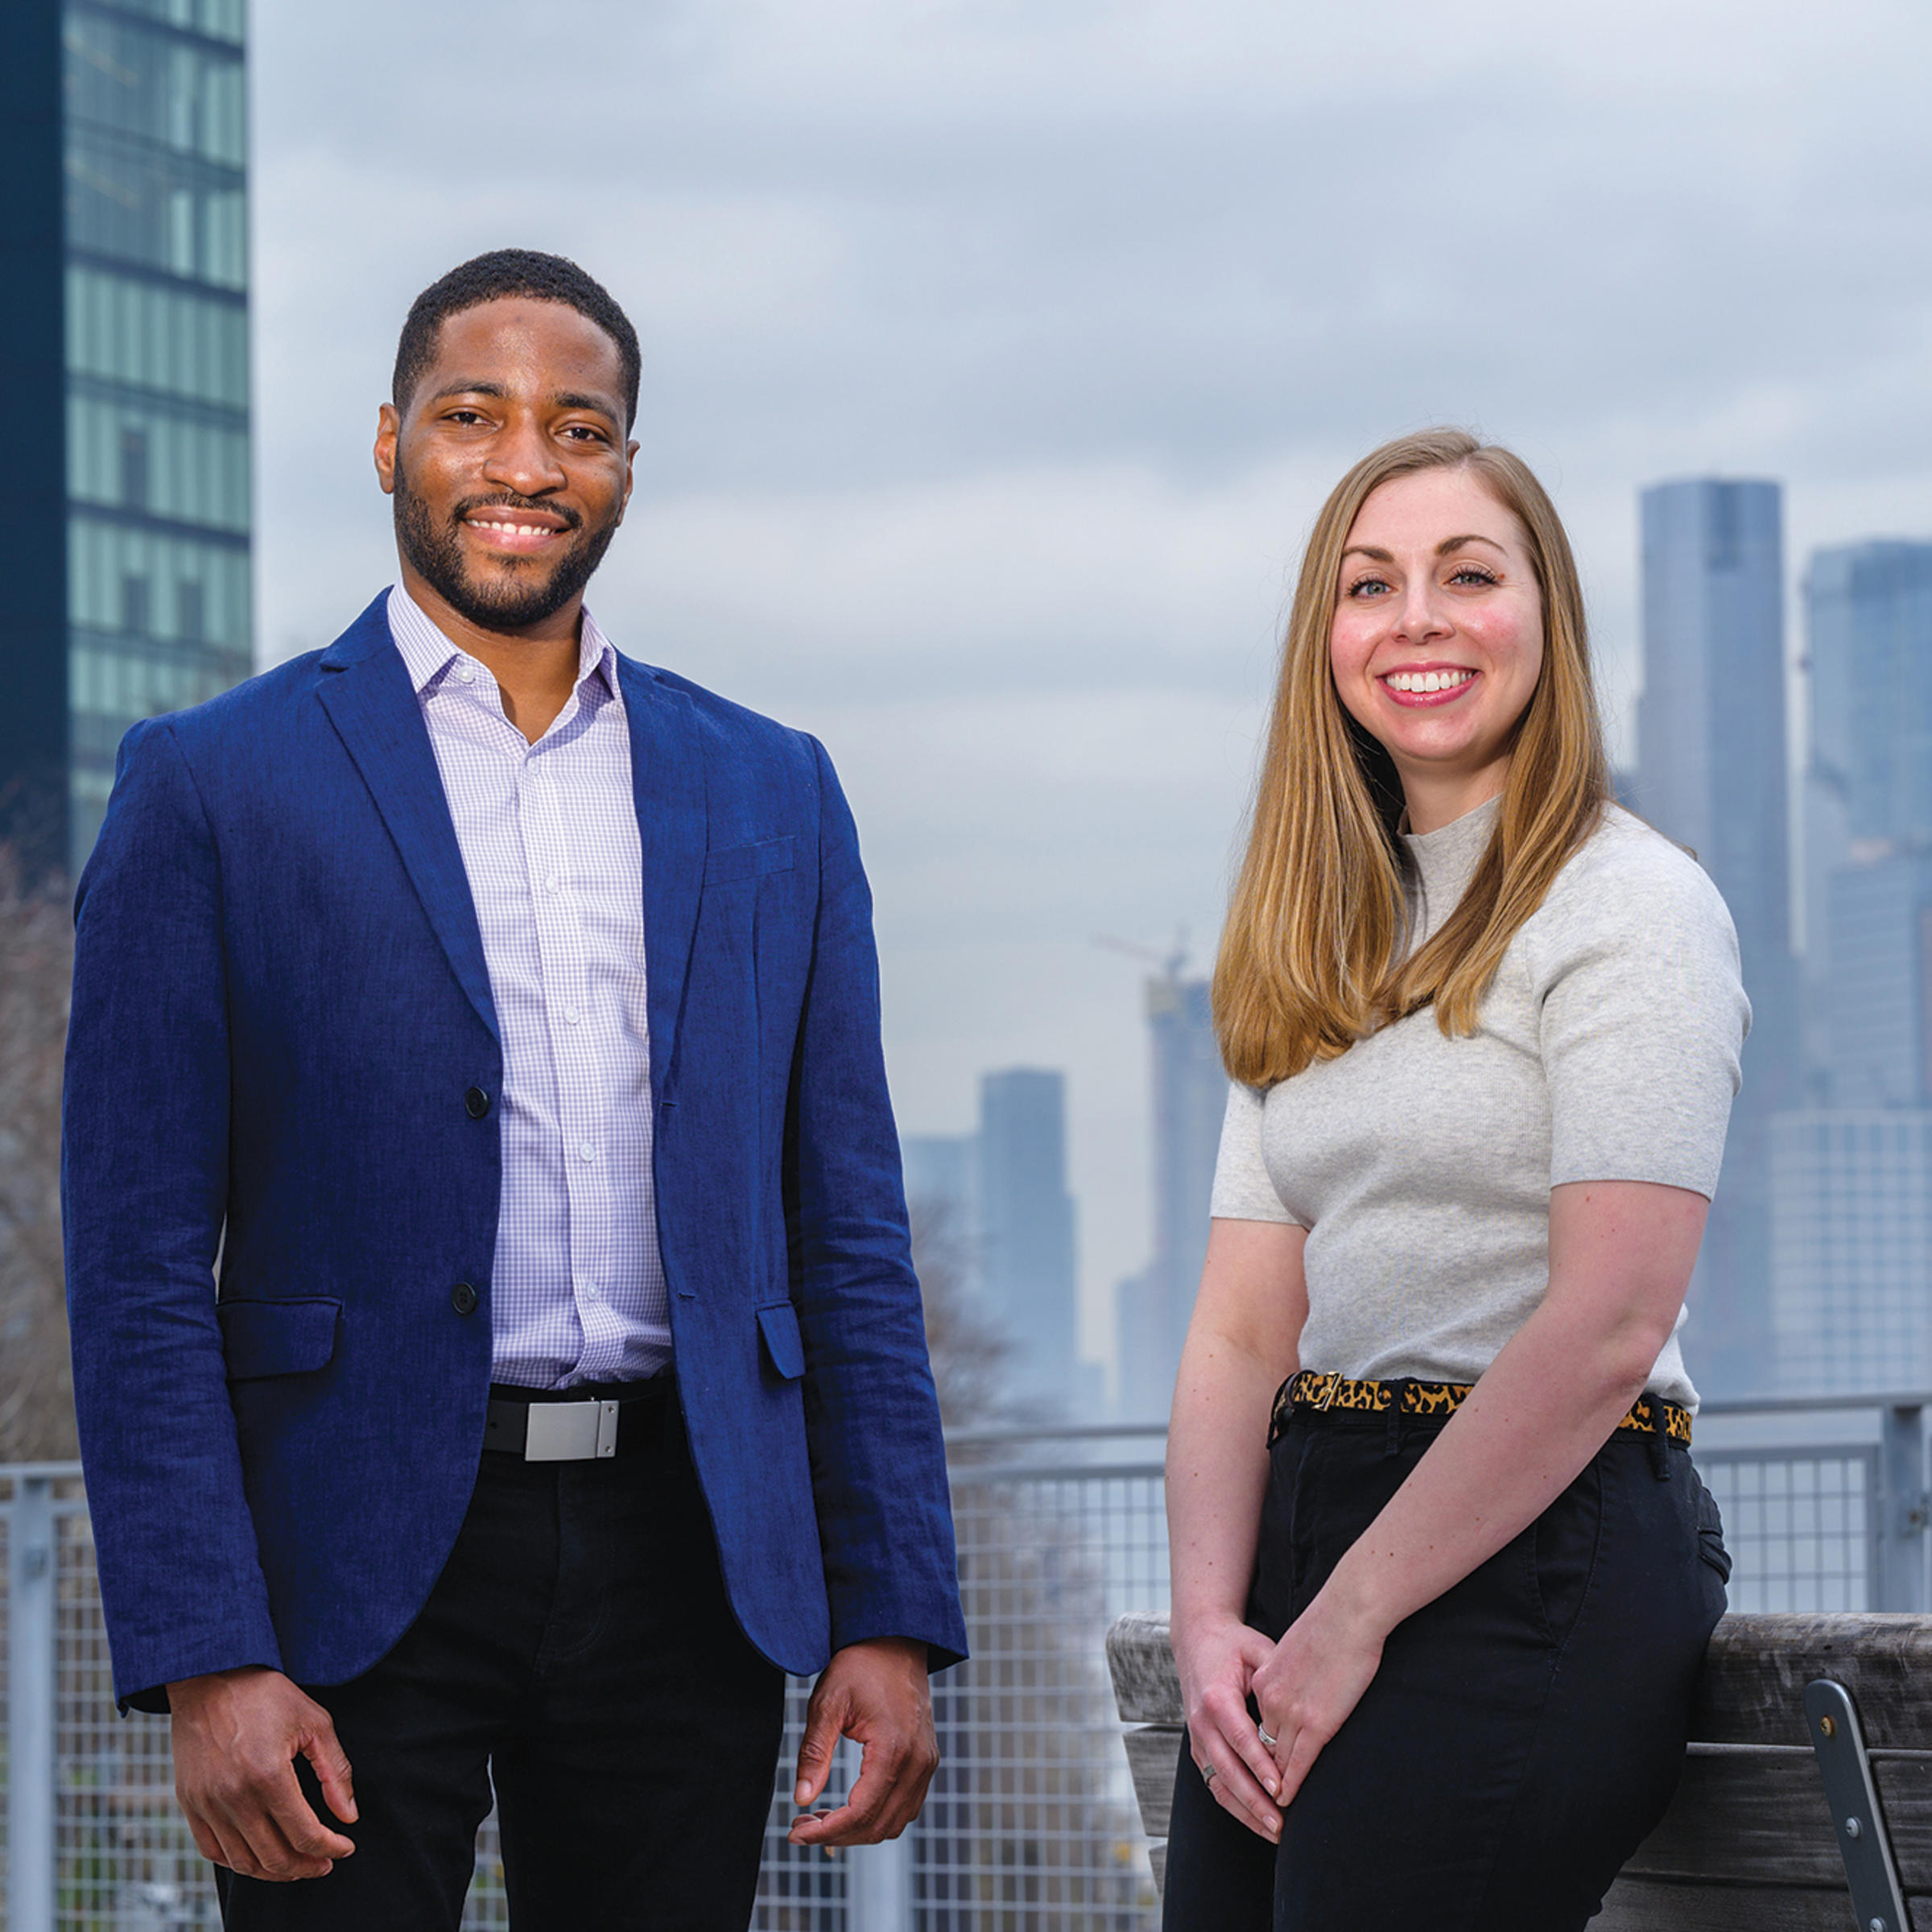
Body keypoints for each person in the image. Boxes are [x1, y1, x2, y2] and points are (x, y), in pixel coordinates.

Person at [62, 248, 968, 1932]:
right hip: (344, 1566)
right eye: (473, 416)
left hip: (688, 1552)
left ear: (627, 467)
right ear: (391, 439)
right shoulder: (210, 787)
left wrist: (889, 1613)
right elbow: (131, 1271)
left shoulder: (774, 792)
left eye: (580, 427)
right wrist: (207, 1655)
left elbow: (846, 1239)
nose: (526, 465)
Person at [1161, 429, 1744, 1930]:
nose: (1415, 617)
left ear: (1546, 618)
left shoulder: (1632, 906)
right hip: (1309, 1528)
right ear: (1327, 640)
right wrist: (1211, 1618)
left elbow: (1613, 1318)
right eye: (1370, 586)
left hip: (1537, 1539)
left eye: (1468, 574)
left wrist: (1353, 1612)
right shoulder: (1312, 936)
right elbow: (1238, 1333)